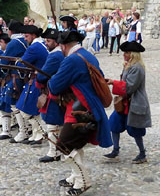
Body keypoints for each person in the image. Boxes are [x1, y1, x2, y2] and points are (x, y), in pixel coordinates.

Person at [48, 30, 112, 196]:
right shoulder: (87, 55)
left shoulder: (72, 60)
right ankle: (75, 177)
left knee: (64, 144)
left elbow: (54, 86)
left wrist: (52, 77)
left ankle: (83, 181)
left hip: (81, 109)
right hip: (86, 106)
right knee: (74, 143)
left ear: (63, 45)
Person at [104, 41, 151, 164]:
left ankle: (142, 153)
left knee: (135, 130)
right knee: (114, 123)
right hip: (125, 102)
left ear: (133, 54)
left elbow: (130, 87)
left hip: (134, 102)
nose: (124, 54)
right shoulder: (129, 65)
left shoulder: (137, 68)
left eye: (127, 52)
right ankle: (115, 149)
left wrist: (113, 82)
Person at [0, 20, 28, 141]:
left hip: (14, 77)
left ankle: (23, 131)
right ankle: (6, 130)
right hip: (19, 77)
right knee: (4, 102)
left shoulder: (14, 43)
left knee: (13, 104)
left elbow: (4, 63)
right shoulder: (24, 40)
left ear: (11, 31)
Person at [13, 25, 48, 145]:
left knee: (26, 108)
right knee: (30, 108)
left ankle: (40, 133)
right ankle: (35, 134)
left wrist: (18, 61)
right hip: (40, 78)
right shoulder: (41, 44)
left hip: (38, 80)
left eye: (26, 36)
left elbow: (22, 65)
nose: (25, 38)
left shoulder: (34, 47)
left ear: (33, 35)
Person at [36, 28, 65, 162]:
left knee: (52, 123)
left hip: (54, 92)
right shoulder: (59, 53)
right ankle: (61, 150)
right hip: (59, 91)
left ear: (56, 42)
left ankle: (54, 152)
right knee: (58, 123)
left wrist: (38, 75)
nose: (46, 43)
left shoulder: (55, 55)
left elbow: (42, 77)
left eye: (48, 41)